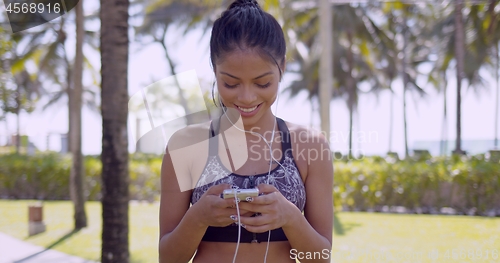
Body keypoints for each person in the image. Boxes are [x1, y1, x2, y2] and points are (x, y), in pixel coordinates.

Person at [159, 0, 333, 262]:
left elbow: (320, 258)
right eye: (230, 83)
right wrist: (199, 218)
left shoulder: (310, 146)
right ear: (214, 71)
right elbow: (169, 258)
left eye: (262, 83)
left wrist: (289, 217)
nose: (247, 97)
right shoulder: (185, 145)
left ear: (282, 68)